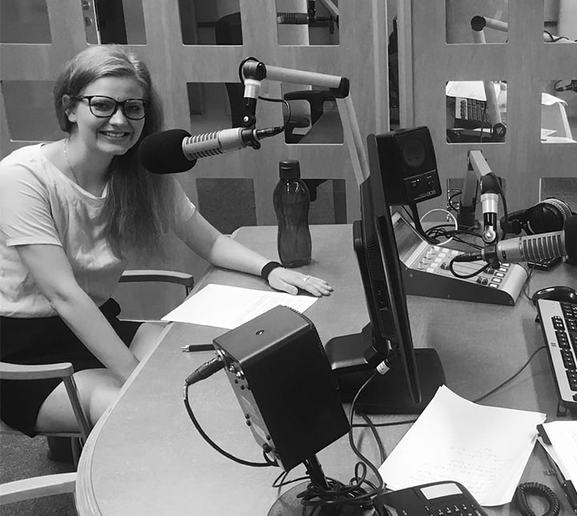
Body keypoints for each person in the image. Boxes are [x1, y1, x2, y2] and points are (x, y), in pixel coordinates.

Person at [0, 45, 333, 440]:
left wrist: (270, 269)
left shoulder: (137, 172)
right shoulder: (22, 176)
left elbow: (210, 242)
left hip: (99, 323)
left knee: (211, 367)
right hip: (25, 355)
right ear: (70, 108)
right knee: (149, 417)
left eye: (133, 108)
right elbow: (64, 295)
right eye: (102, 105)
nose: (120, 120)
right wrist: (138, 381)